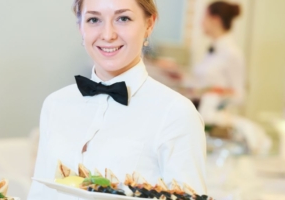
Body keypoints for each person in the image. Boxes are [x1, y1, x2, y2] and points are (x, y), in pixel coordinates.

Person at [28, 0, 206, 199]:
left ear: (149, 24)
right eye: (94, 19)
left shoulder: (175, 112)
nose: (108, 34)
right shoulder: (56, 104)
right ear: (80, 26)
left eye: (123, 18)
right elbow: (39, 193)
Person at [190, 1, 244, 109]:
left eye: (205, 17)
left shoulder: (232, 54)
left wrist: (214, 94)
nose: (201, 23)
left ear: (216, 20)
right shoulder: (212, 50)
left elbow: (239, 96)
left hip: (214, 118)